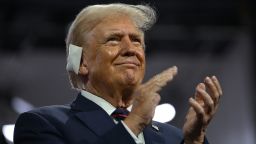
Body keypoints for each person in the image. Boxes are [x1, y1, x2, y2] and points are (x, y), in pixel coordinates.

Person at [14, 3, 223, 144]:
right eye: (113, 39)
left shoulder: (174, 138)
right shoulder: (41, 125)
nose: (130, 49)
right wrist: (133, 123)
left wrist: (194, 140)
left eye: (136, 41)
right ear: (82, 62)